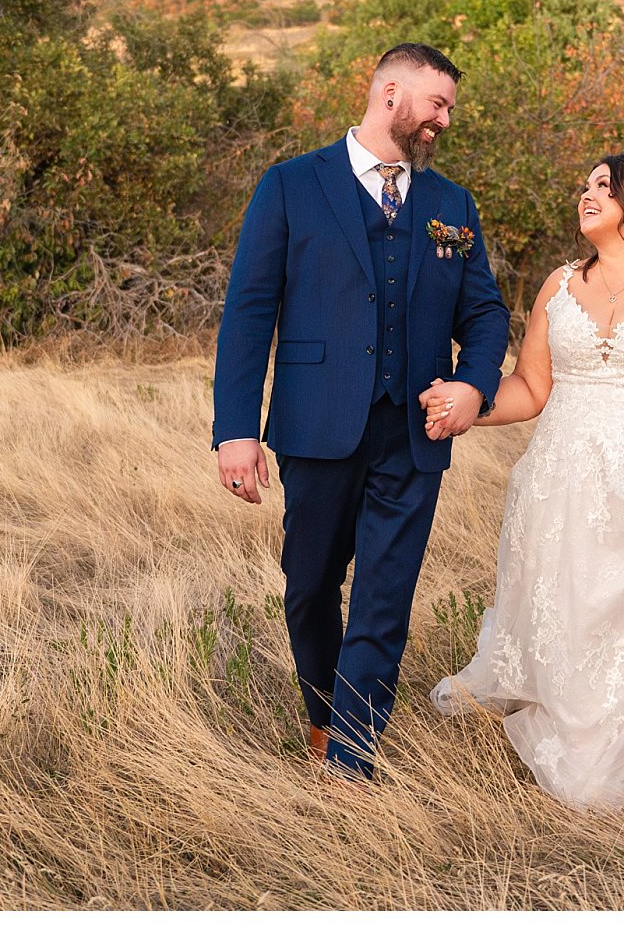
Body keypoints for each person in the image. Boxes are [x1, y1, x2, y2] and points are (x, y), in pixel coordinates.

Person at [423, 150, 624, 811]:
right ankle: (578, 754)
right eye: (583, 184)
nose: (586, 193)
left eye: (603, 184)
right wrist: (468, 403)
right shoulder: (559, 284)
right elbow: (531, 386)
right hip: (561, 484)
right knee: (571, 616)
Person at [212, 42, 510, 783]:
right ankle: (322, 714)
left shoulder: (451, 205)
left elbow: (486, 314)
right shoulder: (289, 186)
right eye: (436, 103)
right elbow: (249, 313)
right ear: (390, 93)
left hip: (415, 432)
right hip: (316, 425)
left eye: (448, 107)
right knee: (310, 586)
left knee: (384, 596)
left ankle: (350, 759)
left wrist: (474, 386)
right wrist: (236, 430)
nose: (444, 119)